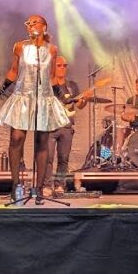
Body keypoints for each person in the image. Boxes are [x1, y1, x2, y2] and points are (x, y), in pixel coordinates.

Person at [0, 15, 71, 203]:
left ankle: (39, 188)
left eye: (35, 22)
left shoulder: (52, 50)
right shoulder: (19, 46)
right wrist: (0, 90)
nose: (31, 25)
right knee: (16, 137)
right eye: (28, 23)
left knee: (42, 142)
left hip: (43, 97)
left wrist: (63, 96)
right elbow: (14, 71)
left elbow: (53, 77)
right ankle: (15, 184)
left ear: (44, 27)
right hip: (23, 96)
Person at [44, 56, 88, 196]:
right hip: (50, 126)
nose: (63, 68)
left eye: (64, 65)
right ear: (53, 67)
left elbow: (79, 105)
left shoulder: (72, 85)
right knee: (48, 158)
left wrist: (83, 100)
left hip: (66, 127)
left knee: (63, 159)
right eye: (59, 65)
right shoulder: (47, 84)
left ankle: (59, 185)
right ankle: (46, 185)